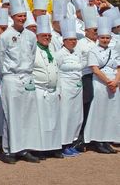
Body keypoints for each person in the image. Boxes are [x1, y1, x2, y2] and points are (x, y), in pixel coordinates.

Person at [0, 0, 40, 163]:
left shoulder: (31, 36)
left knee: (27, 115)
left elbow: (33, 54)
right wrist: (8, 75)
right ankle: (8, 150)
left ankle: (24, 148)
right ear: (12, 17)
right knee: (11, 115)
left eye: (23, 16)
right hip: (11, 78)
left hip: (27, 77)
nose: (21, 18)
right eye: (18, 16)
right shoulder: (5, 36)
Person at [83, 18, 119, 153]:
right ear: (98, 38)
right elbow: (95, 69)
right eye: (103, 37)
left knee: (111, 113)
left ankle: (107, 139)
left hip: (113, 85)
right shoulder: (93, 51)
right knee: (99, 112)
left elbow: (118, 68)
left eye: (107, 38)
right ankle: (97, 140)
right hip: (100, 84)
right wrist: (109, 82)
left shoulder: (114, 51)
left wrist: (116, 81)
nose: (105, 40)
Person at [31, 15, 61, 158]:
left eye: (49, 35)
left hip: (52, 91)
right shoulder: (33, 50)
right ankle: (39, 149)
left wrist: (58, 88)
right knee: (40, 122)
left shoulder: (52, 50)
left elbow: (57, 70)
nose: (47, 38)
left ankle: (53, 147)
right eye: (44, 35)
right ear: (37, 36)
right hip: (39, 90)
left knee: (53, 121)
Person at [55, 17, 84, 157]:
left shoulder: (77, 53)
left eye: (75, 39)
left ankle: (71, 142)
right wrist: (59, 90)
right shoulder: (59, 54)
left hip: (77, 88)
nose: (73, 42)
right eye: (70, 39)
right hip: (65, 88)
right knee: (65, 116)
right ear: (64, 41)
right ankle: (62, 144)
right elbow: (56, 71)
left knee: (76, 116)